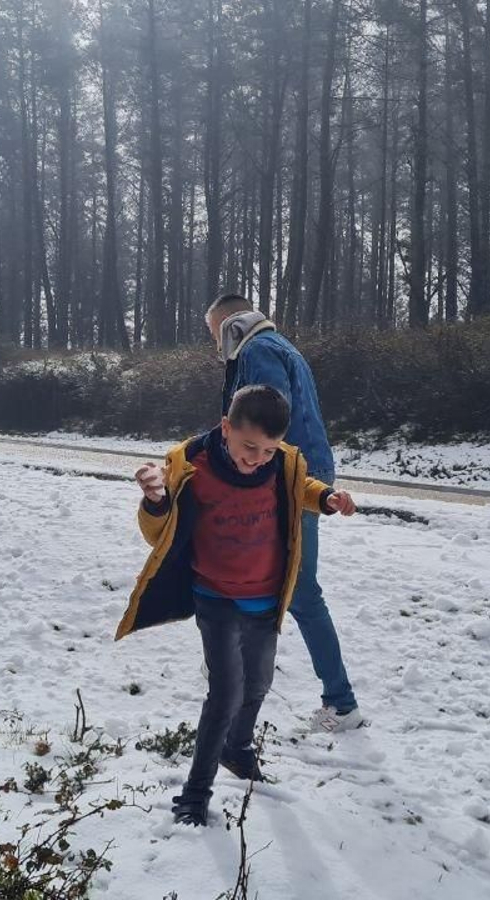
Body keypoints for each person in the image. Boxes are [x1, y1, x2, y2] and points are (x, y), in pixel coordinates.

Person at [115, 385, 358, 827]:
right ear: (226, 427)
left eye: (267, 450)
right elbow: (159, 532)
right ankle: (194, 794)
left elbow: (299, 485)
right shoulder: (192, 467)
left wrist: (324, 497)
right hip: (215, 596)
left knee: (259, 682)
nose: (257, 458)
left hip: (266, 596)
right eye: (249, 446)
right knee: (225, 692)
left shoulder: (283, 462)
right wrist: (154, 501)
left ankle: (238, 747)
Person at [205, 293, 364, 732]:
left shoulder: (257, 351)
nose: (214, 345)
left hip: (289, 479)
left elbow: (264, 417)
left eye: (212, 333)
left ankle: (341, 702)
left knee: (299, 591)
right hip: (299, 473)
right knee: (270, 576)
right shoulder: (280, 345)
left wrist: (245, 471)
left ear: (227, 323)